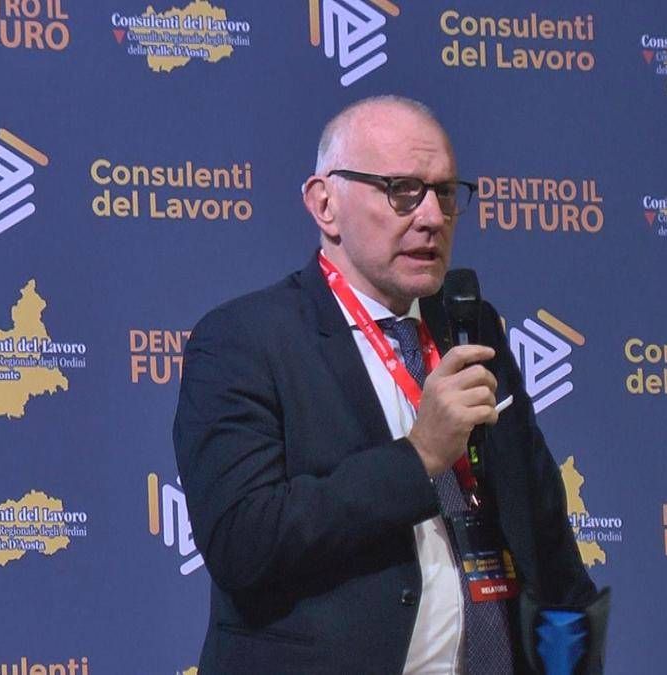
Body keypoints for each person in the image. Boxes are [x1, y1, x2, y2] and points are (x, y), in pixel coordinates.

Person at [174, 95, 600, 675]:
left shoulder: (470, 326)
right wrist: (418, 458)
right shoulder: (243, 341)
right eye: (402, 190)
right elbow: (242, 542)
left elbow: (545, 537)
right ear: (325, 204)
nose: (431, 217)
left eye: (444, 193)